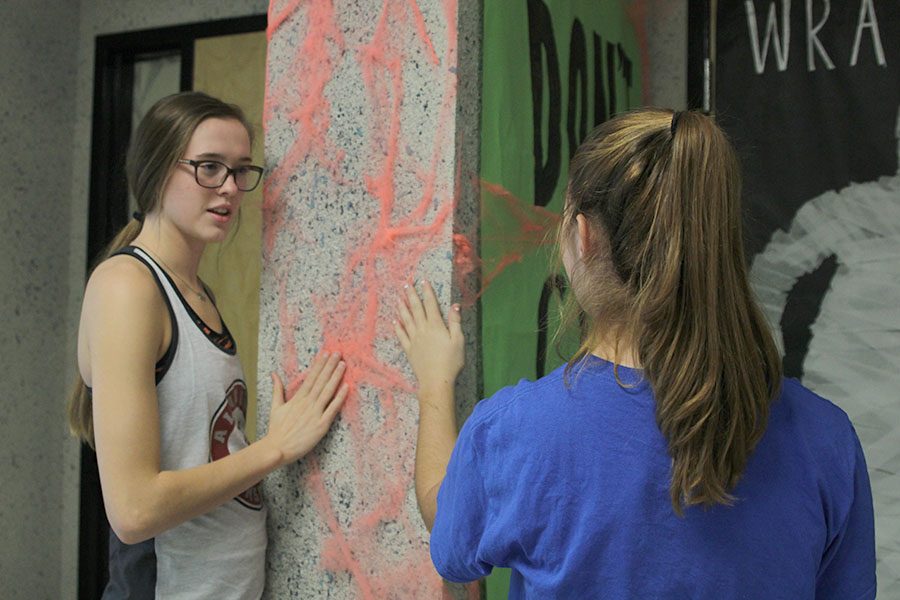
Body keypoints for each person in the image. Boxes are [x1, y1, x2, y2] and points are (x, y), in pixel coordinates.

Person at [395, 108, 876, 598]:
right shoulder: (826, 437)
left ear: (582, 237)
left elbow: (451, 532)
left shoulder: (512, 433)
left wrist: (434, 382)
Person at [68, 91, 348, 599]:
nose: (229, 189)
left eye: (241, 170)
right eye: (209, 168)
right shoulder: (126, 287)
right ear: (156, 170)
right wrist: (275, 448)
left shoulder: (197, 294)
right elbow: (134, 511)